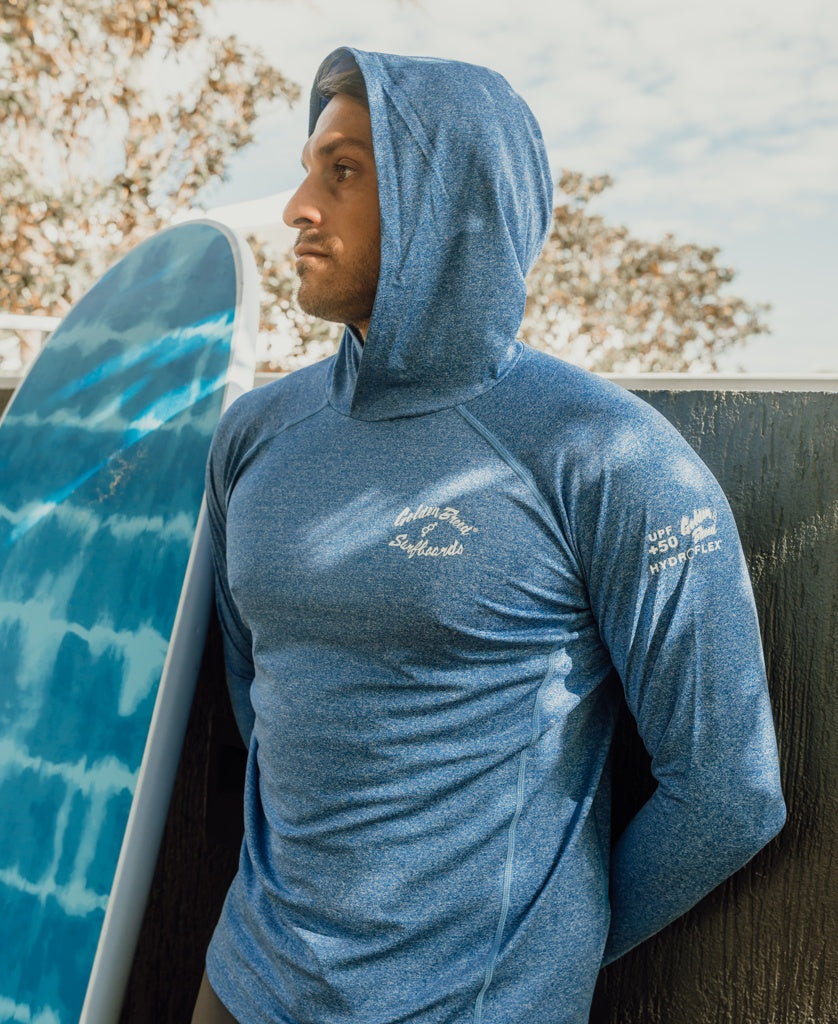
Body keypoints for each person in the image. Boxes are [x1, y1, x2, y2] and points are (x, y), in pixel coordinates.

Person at [193, 47, 785, 1024]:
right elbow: (261, 702)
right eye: (308, 170)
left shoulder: (606, 453)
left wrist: (530, 969)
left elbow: (728, 793)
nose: (297, 207)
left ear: (445, 196)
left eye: (342, 172)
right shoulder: (256, 436)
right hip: (243, 984)